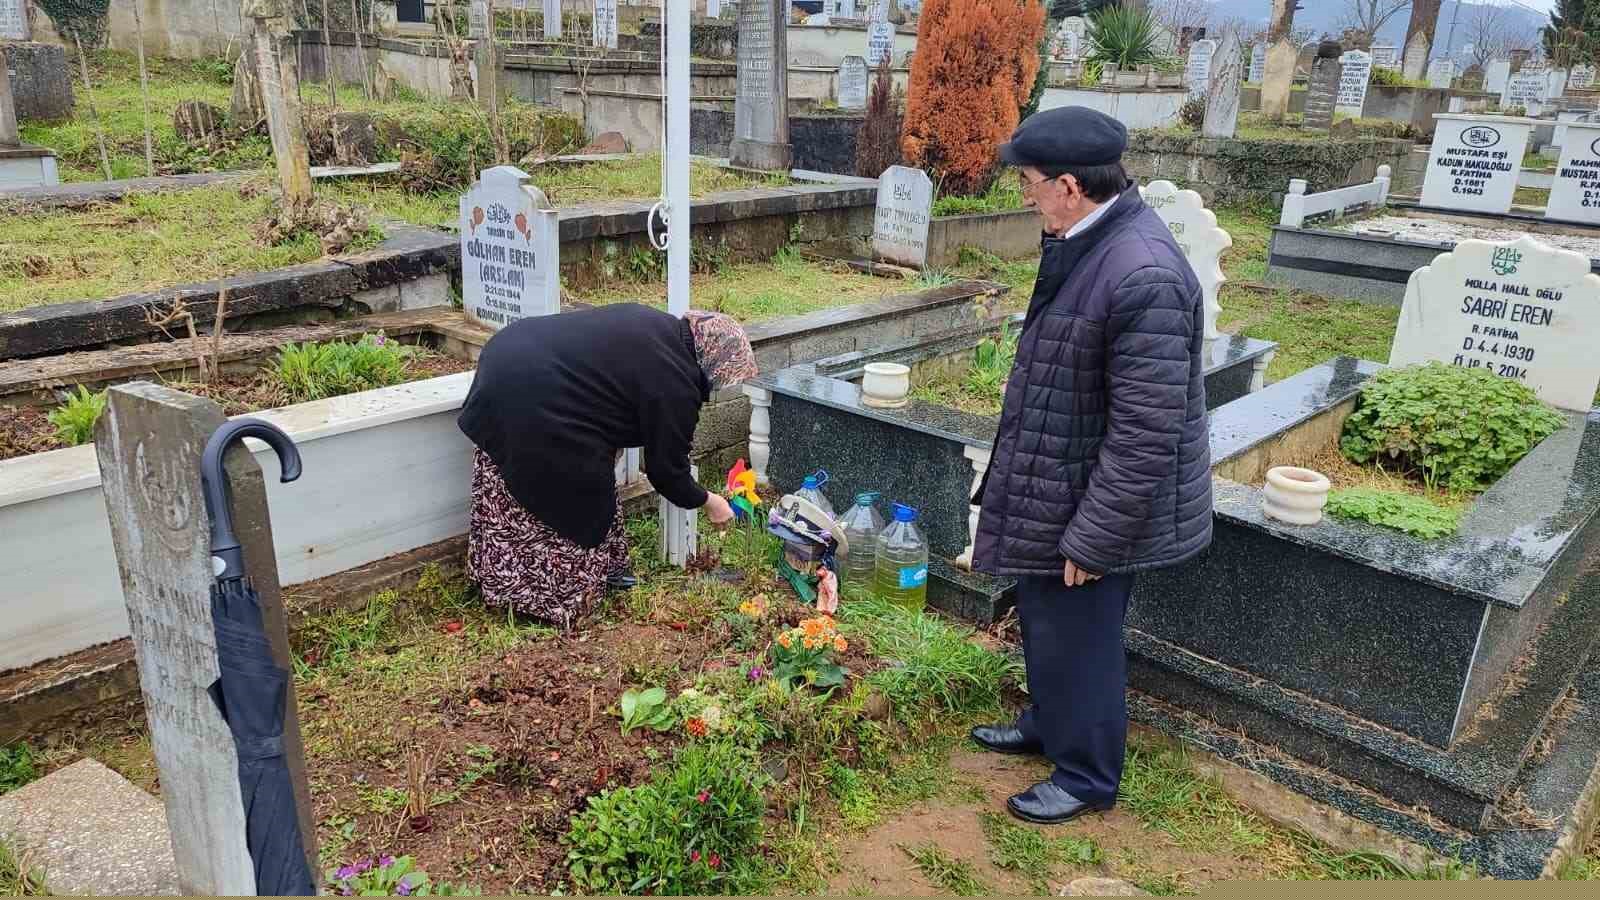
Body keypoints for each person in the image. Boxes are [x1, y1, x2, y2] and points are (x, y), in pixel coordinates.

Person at [968, 107, 1214, 824]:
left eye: (1030, 183)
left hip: (1095, 502)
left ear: (1070, 186)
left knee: (1084, 637)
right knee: (1045, 619)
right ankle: (1050, 723)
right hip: (1060, 475)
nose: (1026, 196)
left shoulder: (1143, 275)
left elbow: (1148, 430)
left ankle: (1087, 775)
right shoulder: (1086, 237)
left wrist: (1096, 537)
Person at [456, 304, 757, 629]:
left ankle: (600, 571)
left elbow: (604, 385)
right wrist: (711, 503)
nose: (720, 385)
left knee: (588, 475)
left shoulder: (663, 331)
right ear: (714, 361)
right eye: (724, 377)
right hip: (531, 393)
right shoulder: (675, 382)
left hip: (507, 356)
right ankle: (544, 598)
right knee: (576, 492)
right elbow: (667, 471)